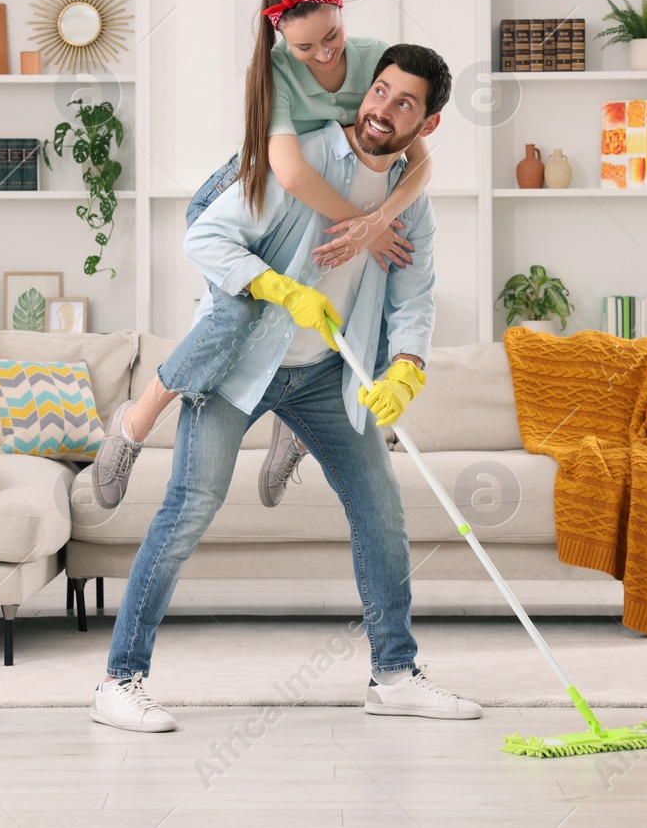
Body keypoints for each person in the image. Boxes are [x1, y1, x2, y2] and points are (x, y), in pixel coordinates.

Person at [89, 43, 482, 732]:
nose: (384, 109)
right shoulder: (298, 159)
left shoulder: (409, 204)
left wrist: (407, 370)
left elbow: (414, 298)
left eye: (405, 103)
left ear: (429, 124)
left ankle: (394, 673)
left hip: (329, 375)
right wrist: (282, 290)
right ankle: (120, 680)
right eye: (381, 91)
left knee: (381, 514)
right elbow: (206, 238)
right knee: (187, 510)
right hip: (243, 364)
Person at [90, 0, 435, 511]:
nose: (323, 55)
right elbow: (292, 175)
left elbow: (419, 159)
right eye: (305, 48)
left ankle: (292, 426)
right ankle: (134, 422)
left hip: (316, 200)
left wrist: (375, 225)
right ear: (281, 39)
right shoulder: (272, 71)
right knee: (236, 314)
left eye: (331, 37)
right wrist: (361, 226)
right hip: (250, 192)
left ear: (342, 11)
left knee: (363, 314)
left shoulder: (376, 60)